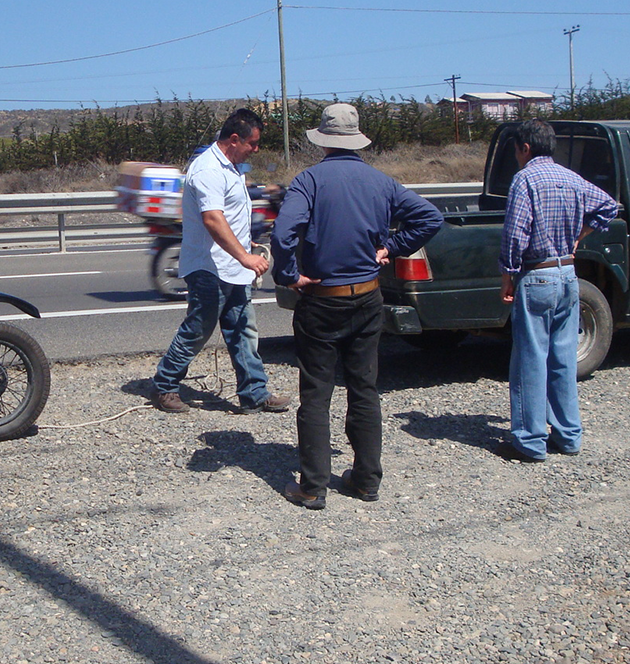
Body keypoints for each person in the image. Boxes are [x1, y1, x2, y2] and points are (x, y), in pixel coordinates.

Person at [270, 103, 444, 509]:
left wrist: (289, 275)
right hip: (367, 297)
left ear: (323, 141)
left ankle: (313, 487)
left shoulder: (309, 181)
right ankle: (366, 480)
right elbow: (429, 218)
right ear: (357, 139)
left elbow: (282, 234)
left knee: (316, 391)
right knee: (364, 388)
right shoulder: (381, 182)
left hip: (321, 300)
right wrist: (393, 248)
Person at [152, 109, 292, 415]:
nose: (256, 149)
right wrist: (245, 256)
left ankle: (254, 392)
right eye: (252, 143)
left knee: (242, 328)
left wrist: (246, 245)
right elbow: (213, 219)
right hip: (209, 268)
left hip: (233, 266)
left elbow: (230, 215)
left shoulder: (231, 167)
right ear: (234, 139)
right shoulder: (207, 170)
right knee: (198, 329)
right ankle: (165, 384)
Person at [497, 119, 620, 462]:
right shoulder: (571, 177)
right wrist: (580, 238)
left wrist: (507, 274)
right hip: (568, 273)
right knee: (563, 358)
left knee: (530, 360)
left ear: (524, 148)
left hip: (537, 275)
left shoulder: (525, 180)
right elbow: (609, 206)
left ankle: (530, 440)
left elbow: (516, 233)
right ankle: (568, 435)